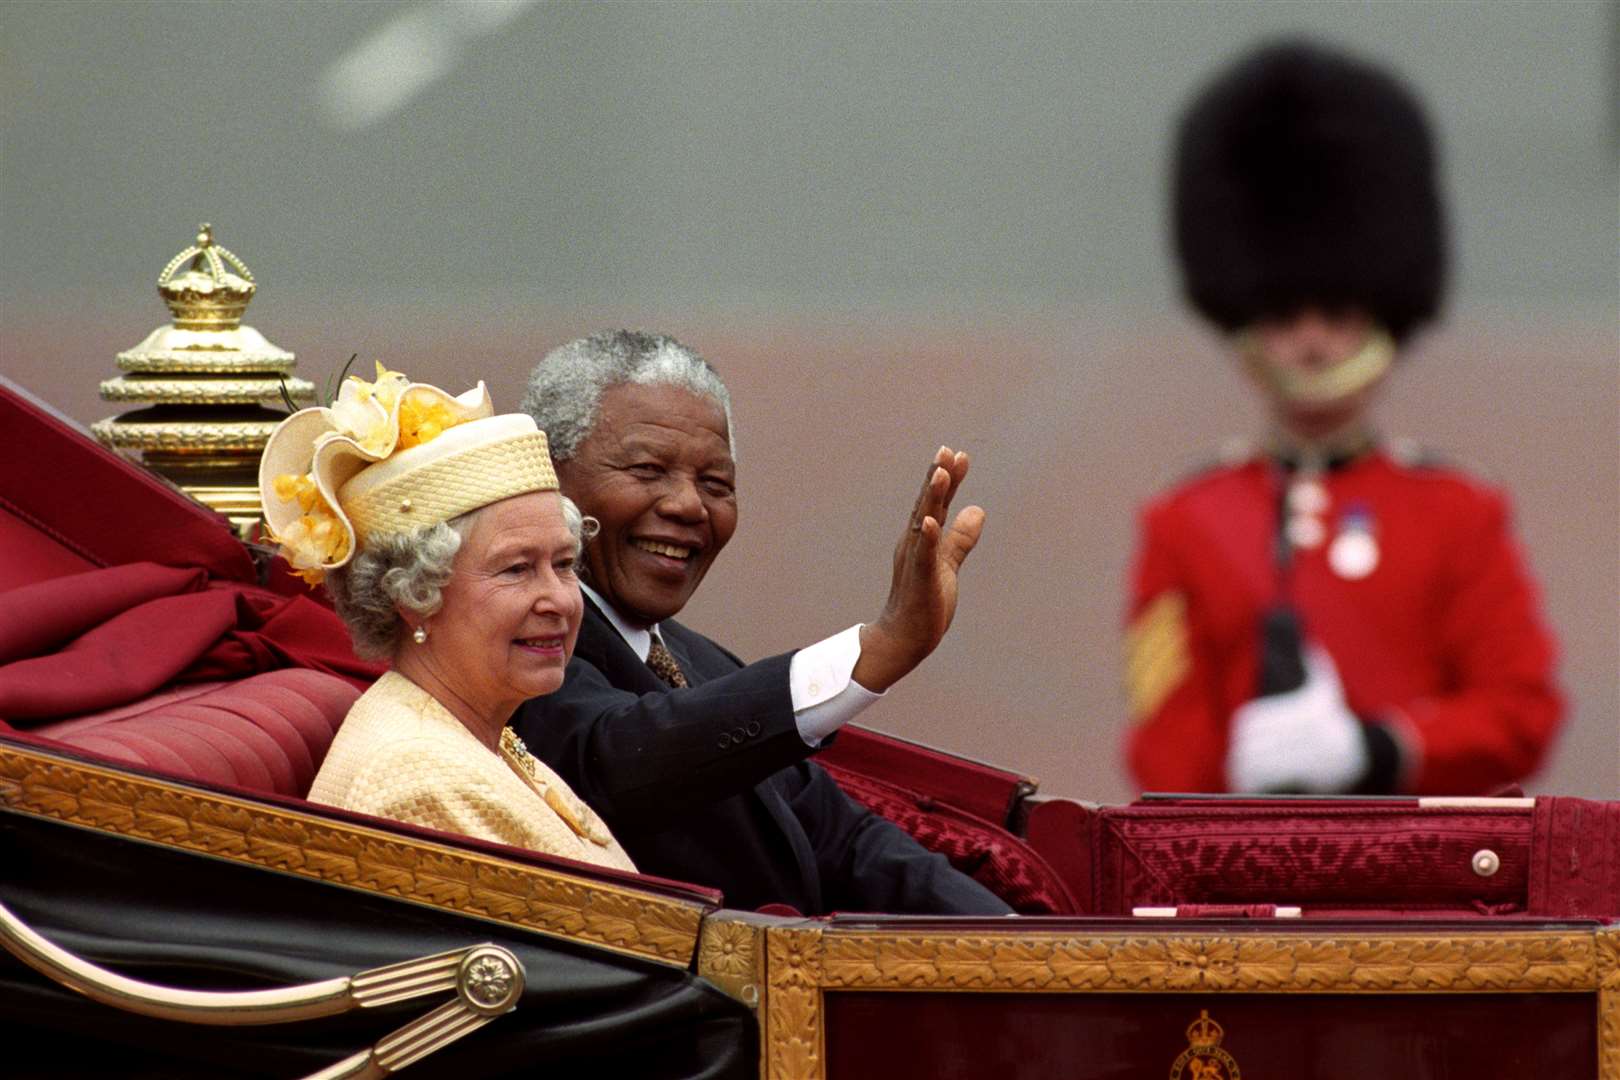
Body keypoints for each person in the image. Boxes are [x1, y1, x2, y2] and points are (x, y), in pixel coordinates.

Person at [1122, 39, 1562, 796]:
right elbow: (1164, 739)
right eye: (1286, 313)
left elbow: (1522, 711)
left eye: (1338, 312)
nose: (1315, 342)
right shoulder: (1184, 520)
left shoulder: (1458, 511)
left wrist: (1381, 749)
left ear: (1382, 317)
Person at [513, 330, 1012, 915]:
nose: (689, 506)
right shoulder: (519, 649)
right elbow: (623, 759)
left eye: (715, 483)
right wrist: (878, 649)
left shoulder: (698, 661)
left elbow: (843, 841)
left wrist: (1036, 950)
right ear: (544, 475)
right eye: (648, 470)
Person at [258, 364, 635, 871]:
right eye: (517, 569)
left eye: (564, 565)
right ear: (412, 593)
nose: (559, 601)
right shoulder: (421, 781)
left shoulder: (480, 729)